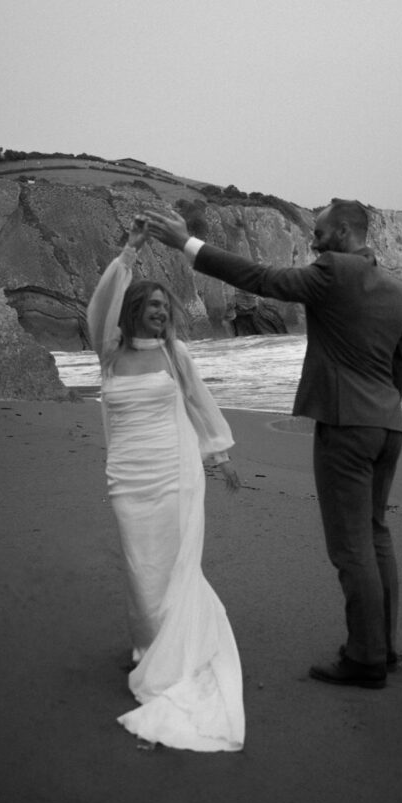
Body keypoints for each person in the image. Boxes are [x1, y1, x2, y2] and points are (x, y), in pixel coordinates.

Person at [146, 199, 402, 690]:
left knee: (351, 546)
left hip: (346, 425)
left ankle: (366, 658)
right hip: (387, 425)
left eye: (320, 233)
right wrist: (381, 409)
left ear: (345, 232)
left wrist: (187, 243)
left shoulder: (333, 271)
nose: (314, 241)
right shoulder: (399, 290)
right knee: (376, 535)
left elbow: (261, 279)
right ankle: (386, 648)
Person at [86, 219, 245, 750]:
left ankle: (172, 653)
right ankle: (148, 646)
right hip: (127, 476)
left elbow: (200, 403)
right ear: (133, 309)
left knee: (173, 565)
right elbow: (100, 307)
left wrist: (220, 456)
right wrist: (129, 252)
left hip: (174, 474)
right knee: (140, 568)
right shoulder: (110, 353)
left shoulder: (175, 356)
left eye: (164, 306)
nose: (160, 312)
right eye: (151, 305)